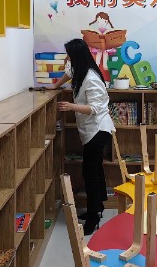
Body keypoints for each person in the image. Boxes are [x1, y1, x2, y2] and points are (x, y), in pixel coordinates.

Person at [49, 39, 115, 235]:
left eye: (69, 55)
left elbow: (95, 108)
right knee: (95, 170)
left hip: (98, 130)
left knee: (90, 174)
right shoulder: (79, 69)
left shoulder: (91, 78)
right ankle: (98, 207)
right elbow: (68, 73)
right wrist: (54, 87)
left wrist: (71, 106)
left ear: (76, 56)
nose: (67, 59)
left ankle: (93, 217)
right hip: (91, 130)